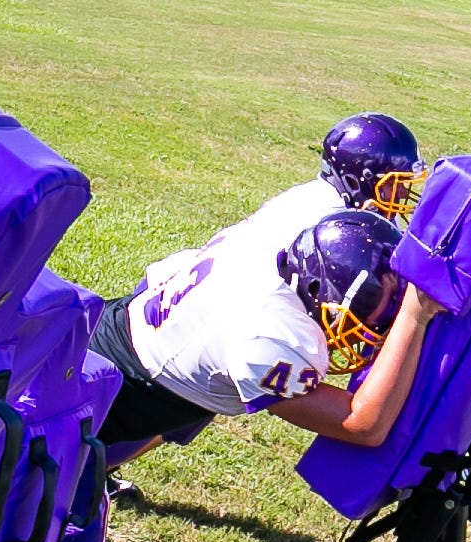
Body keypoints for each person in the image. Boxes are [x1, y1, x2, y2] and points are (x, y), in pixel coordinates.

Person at [89, 199, 438, 466]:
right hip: (112, 388)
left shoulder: (279, 254)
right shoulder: (275, 337)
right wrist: (413, 318)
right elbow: (363, 425)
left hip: (122, 327)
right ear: (318, 289)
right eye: (375, 299)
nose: (383, 318)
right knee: (55, 500)